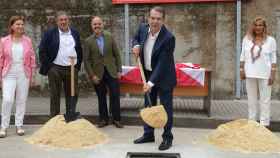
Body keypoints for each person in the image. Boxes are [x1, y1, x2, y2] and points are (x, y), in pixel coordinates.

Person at [132, 6, 176, 150]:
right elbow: (136, 38)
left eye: (158, 19)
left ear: (163, 20)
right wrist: (136, 45)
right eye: (153, 18)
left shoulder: (168, 38)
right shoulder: (143, 29)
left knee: (165, 108)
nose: (155, 21)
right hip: (148, 73)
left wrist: (150, 83)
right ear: (148, 18)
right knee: (149, 105)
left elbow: (163, 63)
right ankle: (148, 134)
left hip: (164, 77)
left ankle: (167, 137)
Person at [38, 11, 83, 122]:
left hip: (72, 68)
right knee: (55, 94)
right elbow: (42, 50)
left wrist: (77, 66)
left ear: (69, 20)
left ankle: (70, 116)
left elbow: (79, 50)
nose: (63, 22)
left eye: (65, 19)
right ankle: (54, 119)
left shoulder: (75, 33)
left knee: (72, 93)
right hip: (55, 68)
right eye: (61, 20)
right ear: (57, 22)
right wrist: (49, 67)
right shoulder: (50, 33)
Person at [84, 16, 123, 128]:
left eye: (99, 24)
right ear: (92, 26)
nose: (97, 26)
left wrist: (119, 70)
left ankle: (117, 119)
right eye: (95, 24)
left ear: (103, 24)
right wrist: (92, 75)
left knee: (115, 95)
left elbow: (117, 55)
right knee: (101, 97)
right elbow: (86, 61)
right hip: (97, 74)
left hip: (112, 71)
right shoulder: (88, 41)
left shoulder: (109, 37)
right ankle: (103, 119)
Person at [0, 16, 36, 138]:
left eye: (22, 24)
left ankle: (19, 125)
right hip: (8, 73)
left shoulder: (28, 41)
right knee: (7, 100)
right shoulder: (4, 41)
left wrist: (32, 76)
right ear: (12, 27)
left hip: (23, 73)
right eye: (17, 24)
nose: (20, 26)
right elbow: (0, 59)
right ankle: (3, 126)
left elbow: (32, 59)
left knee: (21, 100)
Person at [240, 16, 277, 127]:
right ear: (253, 26)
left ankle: (264, 124)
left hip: (265, 74)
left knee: (265, 100)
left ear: (264, 27)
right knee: (251, 100)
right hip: (250, 73)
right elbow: (242, 55)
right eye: (256, 25)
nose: (258, 27)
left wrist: (273, 74)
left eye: (260, 25)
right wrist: (241, 69)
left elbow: (273, 58)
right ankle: (252, 123)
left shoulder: (271, 40)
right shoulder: (247, 39)